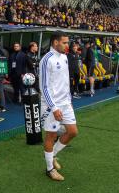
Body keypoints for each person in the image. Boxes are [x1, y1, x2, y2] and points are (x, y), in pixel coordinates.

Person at [39, 31, 78, 181]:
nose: (67, 45)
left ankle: (52, 154)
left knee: (73, 132)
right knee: (51, 135)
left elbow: (64, 81)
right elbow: (44, 86)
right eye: (65, 42)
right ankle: (49, 169)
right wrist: (54, 108)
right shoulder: (46, 60)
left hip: (65, 102)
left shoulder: (64, 57)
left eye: (67, 42)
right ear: (55, 43)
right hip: (51, 105)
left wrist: (68, 98)